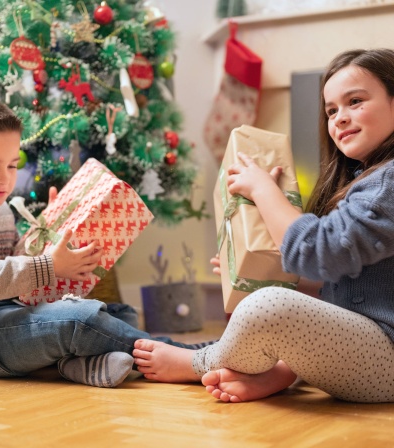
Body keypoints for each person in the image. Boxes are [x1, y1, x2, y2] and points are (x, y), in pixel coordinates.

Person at [133, 48, 394, 403]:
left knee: (269, 305)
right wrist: (256, 268)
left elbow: (317, 251)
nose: (340, 118)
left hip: (384, 358)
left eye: (355, 101)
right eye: (331, 110)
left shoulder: (388, 183)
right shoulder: (367, 180)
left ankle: (198, 362)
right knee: (265, 293)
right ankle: (281, 372)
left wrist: (263, 190)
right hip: (366, 347)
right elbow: (339, 273)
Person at [0, 96, 205, 388]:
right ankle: (191, 358)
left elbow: (15, 261)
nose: (5, 180)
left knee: (119, 313)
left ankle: (75, 366)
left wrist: (53, 227)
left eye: (11, 165)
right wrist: (48, 266)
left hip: (0, 317)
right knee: (80, 321)